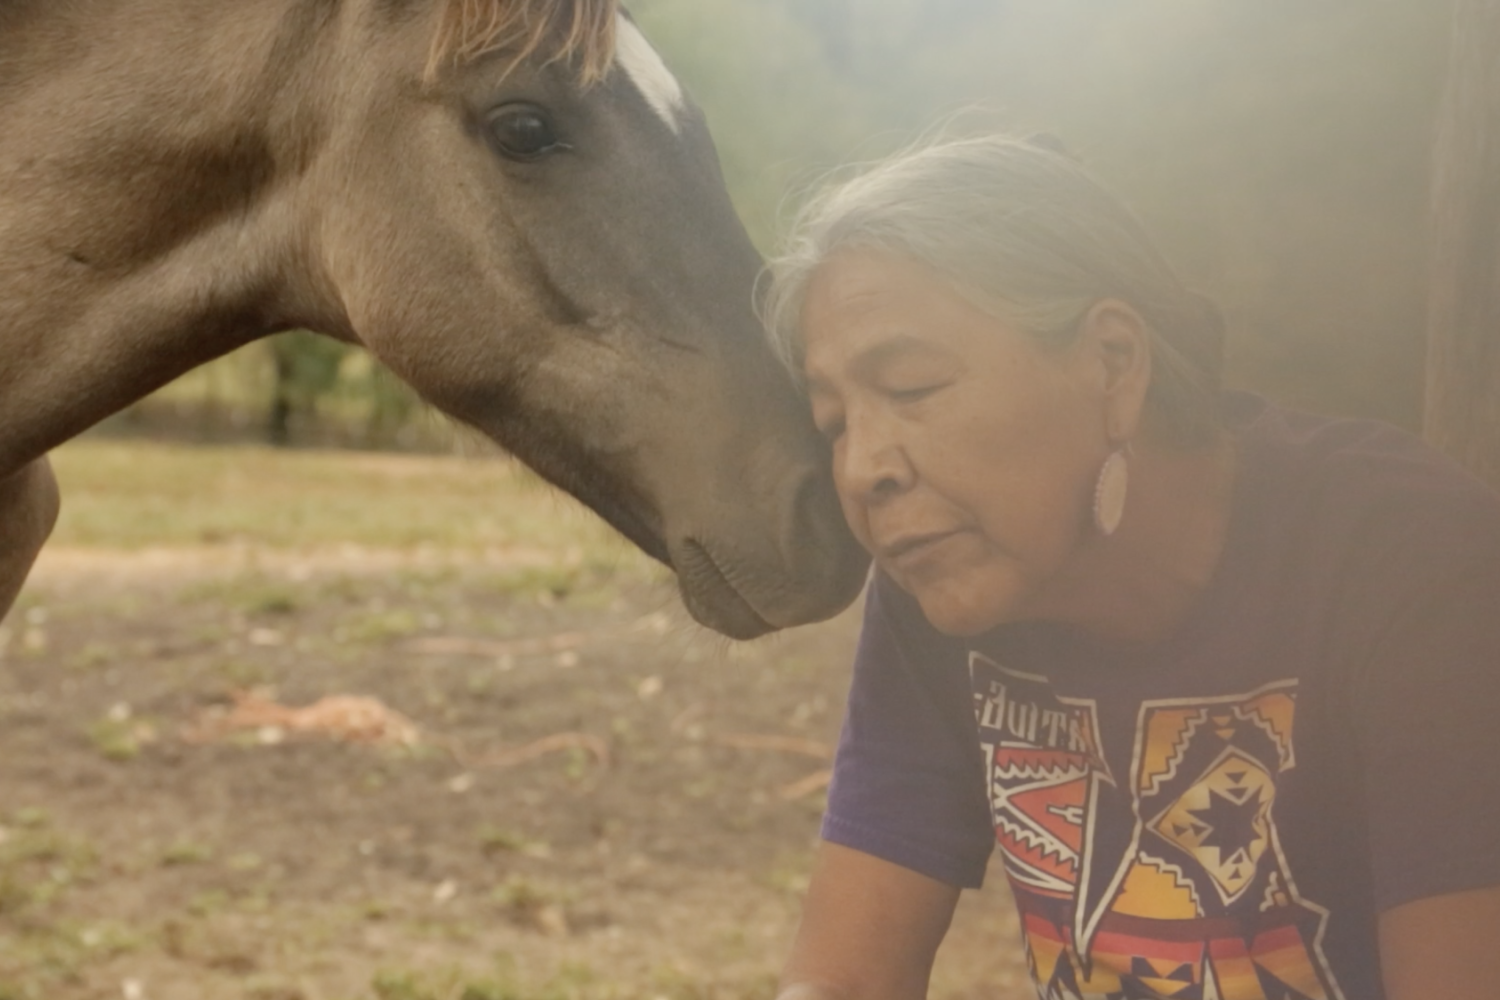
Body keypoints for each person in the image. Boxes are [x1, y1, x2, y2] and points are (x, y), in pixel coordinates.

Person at [759, 135, 1500, 1000]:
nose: (862, 469)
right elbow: (841, 980)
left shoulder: (1400, 560)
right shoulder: (940, 588)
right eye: (834, 422)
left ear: (1113, 363)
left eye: (914, 387)